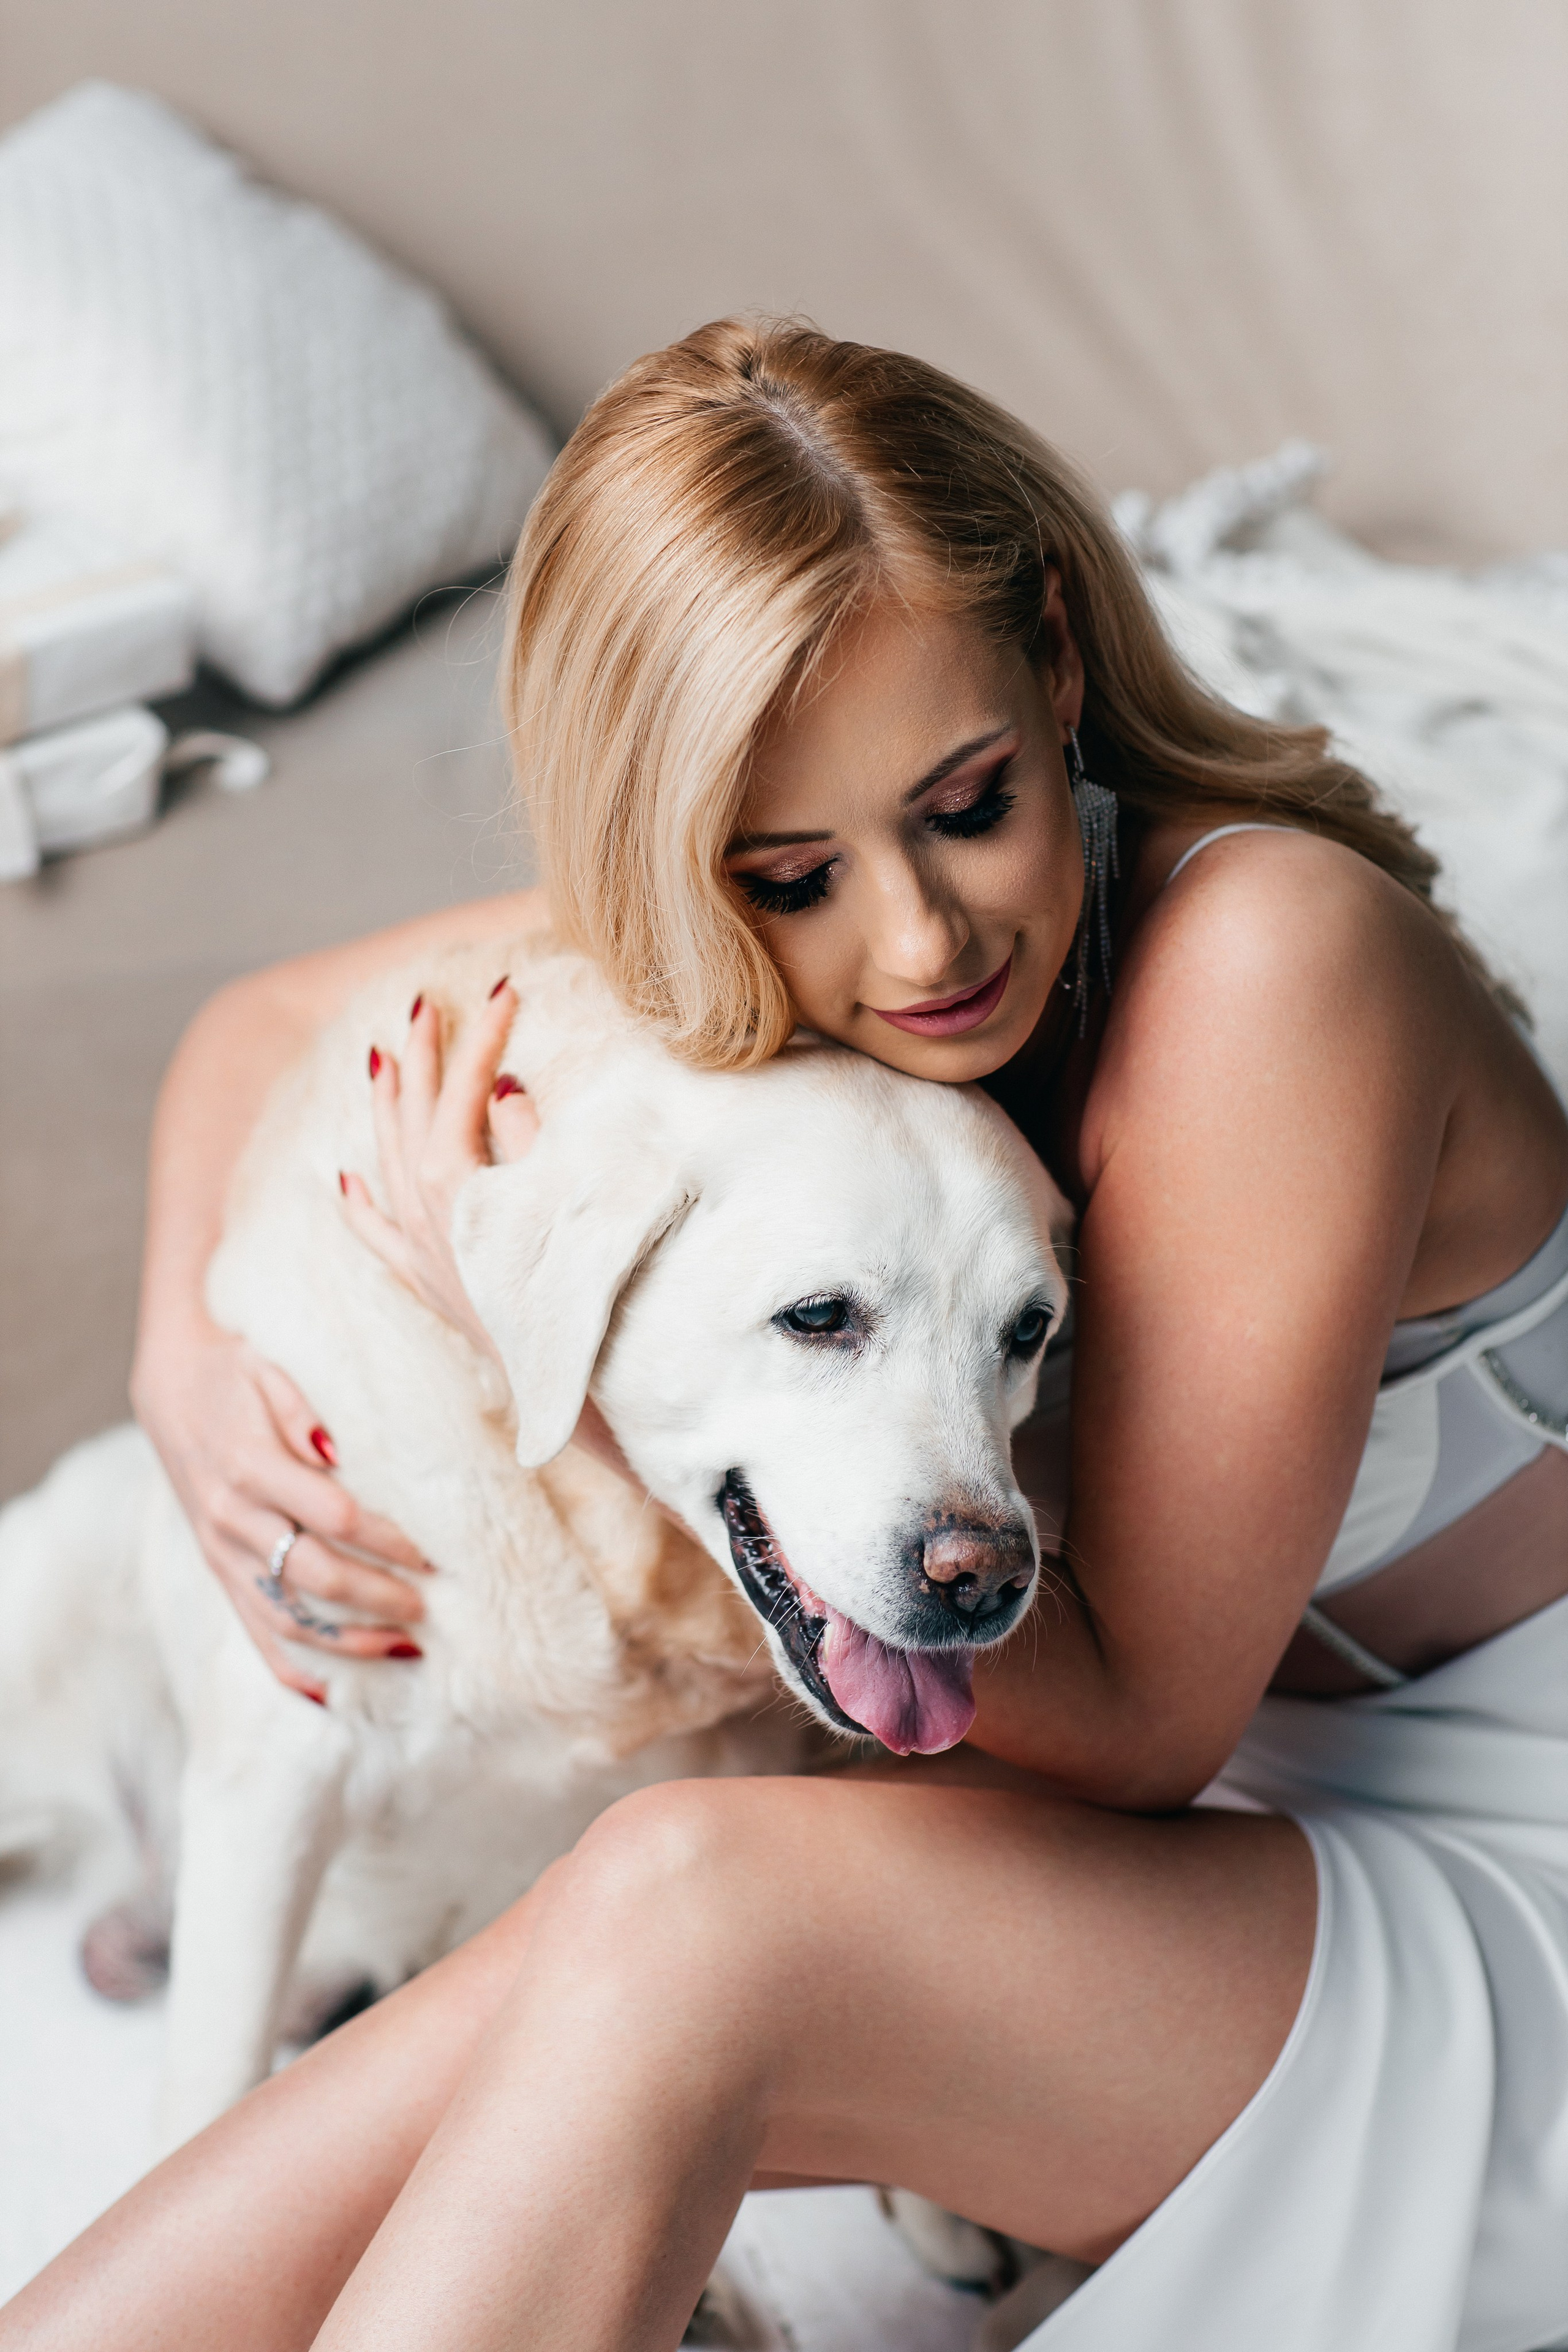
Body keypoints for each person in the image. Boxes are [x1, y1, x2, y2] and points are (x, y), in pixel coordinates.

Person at [6, 320, 1567, 2352]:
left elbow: (1138, 1729)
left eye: (970, 801)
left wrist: (542, 1388)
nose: (917, 941)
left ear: (1062, 671)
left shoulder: (1268, 970)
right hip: (1226, 1871)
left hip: (1479, 1896)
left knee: (686, 1905)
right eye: (795, 871)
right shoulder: (781, 991)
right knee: (270, 2190)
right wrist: (194, 1387)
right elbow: (258, 1034)